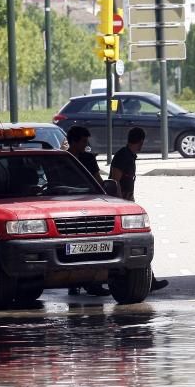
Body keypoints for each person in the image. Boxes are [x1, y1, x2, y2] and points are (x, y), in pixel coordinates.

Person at [110, 127, 169, 292]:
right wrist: (123, 204)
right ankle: (147, 281)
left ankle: (149, 280)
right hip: (122, 207)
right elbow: (115, 181)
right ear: (141, 141)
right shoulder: (123, 156)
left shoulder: (128, 155)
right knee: (137, 243)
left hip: (126, 204)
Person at [64, 125, 110, 297]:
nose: (86, 144)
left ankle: (93, 283)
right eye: (83, 141)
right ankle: (73, 283)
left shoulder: (88, 158)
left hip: (89, 208)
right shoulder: (62, 158)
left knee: (94, 246)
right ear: (74, 142)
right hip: (67, 210)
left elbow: (98, 182)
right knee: (72, 248)